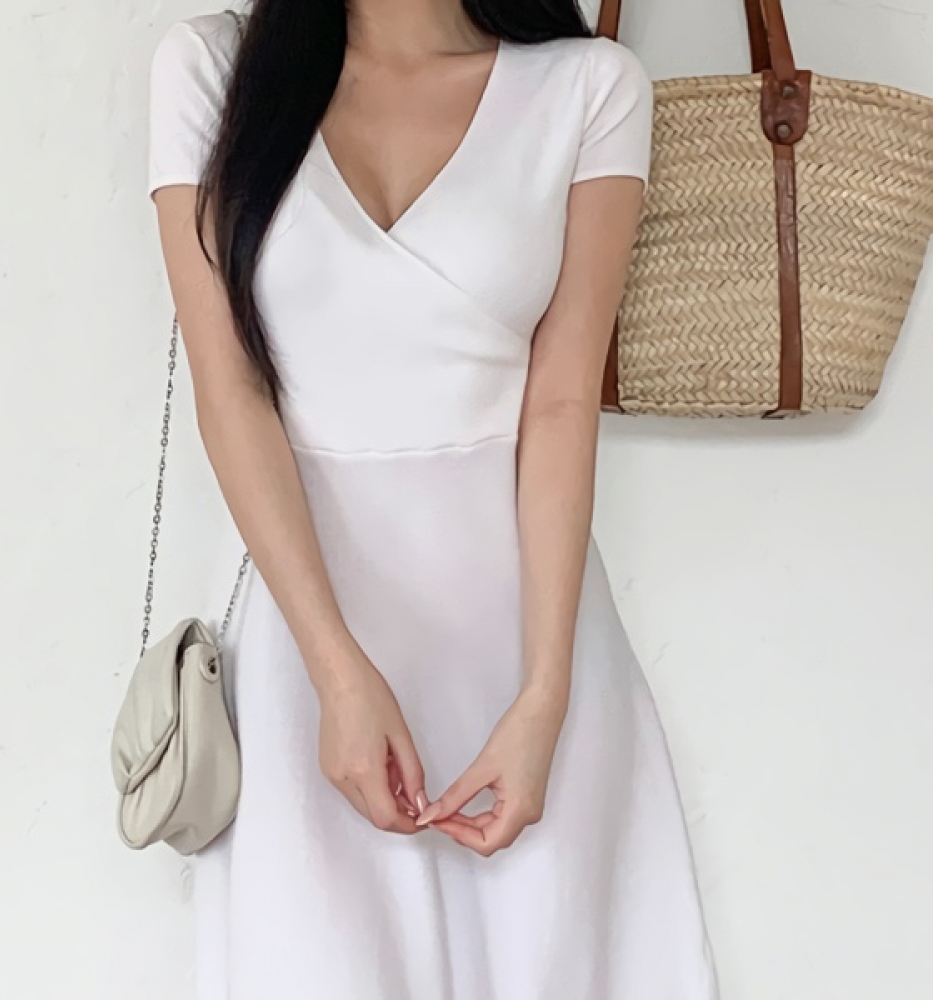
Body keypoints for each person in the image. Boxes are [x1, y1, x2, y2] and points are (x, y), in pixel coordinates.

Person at [146, 2, 717, 997]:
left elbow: (561, 401)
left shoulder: (589, 88)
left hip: (529, 658)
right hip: (308, 650)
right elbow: (227, 388)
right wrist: (336, 670)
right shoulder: (209, 72)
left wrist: (545, 696)